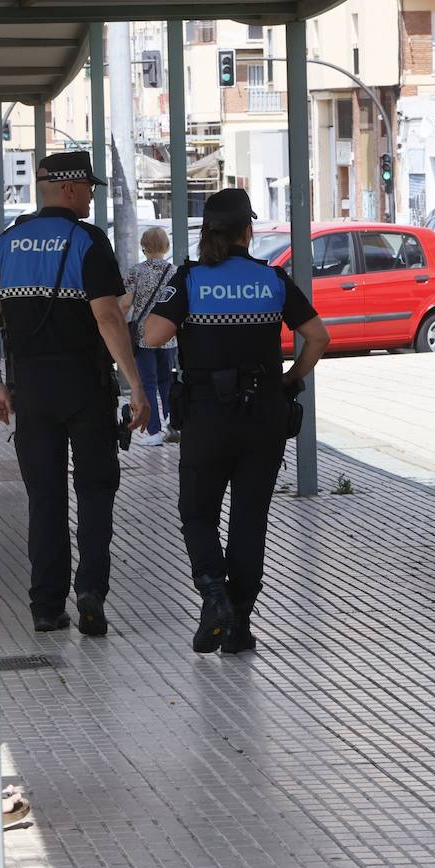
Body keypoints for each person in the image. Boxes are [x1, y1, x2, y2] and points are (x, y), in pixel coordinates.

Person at [143, 189, 329, 654]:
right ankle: (240, 626)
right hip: (264, 413)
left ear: (207, 233)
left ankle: (214, 596)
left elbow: (152, 334)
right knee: (250, 519)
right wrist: (290, 379)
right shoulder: (272, 280)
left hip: (207, 414)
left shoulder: (190, 280)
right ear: (249, 230)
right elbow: (318, 337)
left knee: (197, 512)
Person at [0, 151, 149, 636]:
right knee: (96, 490)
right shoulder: (87, 241)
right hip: (85, 388)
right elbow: (107, 317)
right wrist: (136, 385)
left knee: (45, 497)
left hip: (31, 390)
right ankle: (91, 592)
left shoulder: (9, 243)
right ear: (72, 188)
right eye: (91, 188)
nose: (93, 196)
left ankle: (45, 606)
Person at [121, 227, 179, 446]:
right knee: (166, 381)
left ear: (143, 245)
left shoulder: (136, 271)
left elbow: (126, 303)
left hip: (143, 337)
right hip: (168, 336)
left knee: (147, 383)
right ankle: (172, 425)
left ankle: (154, 432)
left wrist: (115, 323)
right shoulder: (174, 272)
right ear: (166, 246)